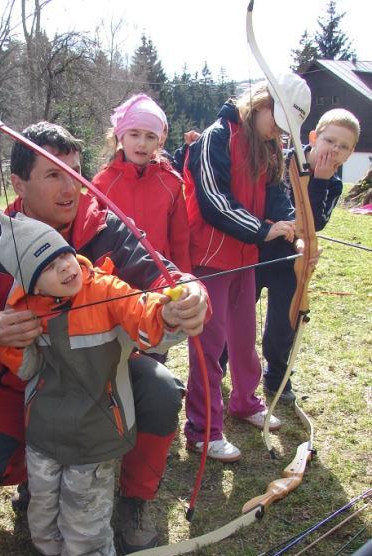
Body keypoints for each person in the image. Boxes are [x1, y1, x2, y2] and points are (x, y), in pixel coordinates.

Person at [0, 121, 210, 555]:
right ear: (17, 183)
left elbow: (168, 281)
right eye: (52, 175)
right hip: (26, 386)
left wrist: (192, 295)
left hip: (105, 380)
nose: (71, 188)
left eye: (76, 173)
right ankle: (38, 478)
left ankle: (134, 501)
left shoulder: (108, 230)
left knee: (159, 389)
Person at [0, 214, 188, 556]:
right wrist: (13, 344)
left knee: (86, 496)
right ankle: (50, 551)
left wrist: (165, 313)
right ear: (31, 284)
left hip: (97, 425)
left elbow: (142, 314)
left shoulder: (104, 290)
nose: (65, 266)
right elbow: (28, 367)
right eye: (48, 267)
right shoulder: (26, 309)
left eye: (64, 255)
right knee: (45, 493)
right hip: (45, 424)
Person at [177, 74, 311, 462]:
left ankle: (244, 400)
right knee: (209, 344)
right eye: (276, 120)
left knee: (243, 336)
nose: (277, 132)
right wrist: (264, 230)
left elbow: (276, 195)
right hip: (210, 258)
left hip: (244, 258)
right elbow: (213, 201)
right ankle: (203, 429)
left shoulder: (268, 146)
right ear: (262, 102)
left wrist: (291, 228)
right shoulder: (214, 138)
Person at [259, 108, 360, 401]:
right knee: (237, 315)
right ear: (314, 137)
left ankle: (277, 376)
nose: (334, 150)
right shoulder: (284, 161)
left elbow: (312, 226)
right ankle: (223, 367)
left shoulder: (334, 183)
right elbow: (273, 203)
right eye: (330, 141)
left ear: (350, 154)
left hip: (293, 263)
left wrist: (320, 181)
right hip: (259, 252)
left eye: (343, 147)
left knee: (284, 322)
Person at [92, 93, 191, 273]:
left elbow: (180, 241)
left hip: (161, 279)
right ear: (121, 137)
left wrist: (185, 280)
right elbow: (90, 239)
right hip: (116, 284)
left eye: (151, 136)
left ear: (159, 141)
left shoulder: (170, 183)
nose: (142, 143)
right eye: (134, 134)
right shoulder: (102, 184)